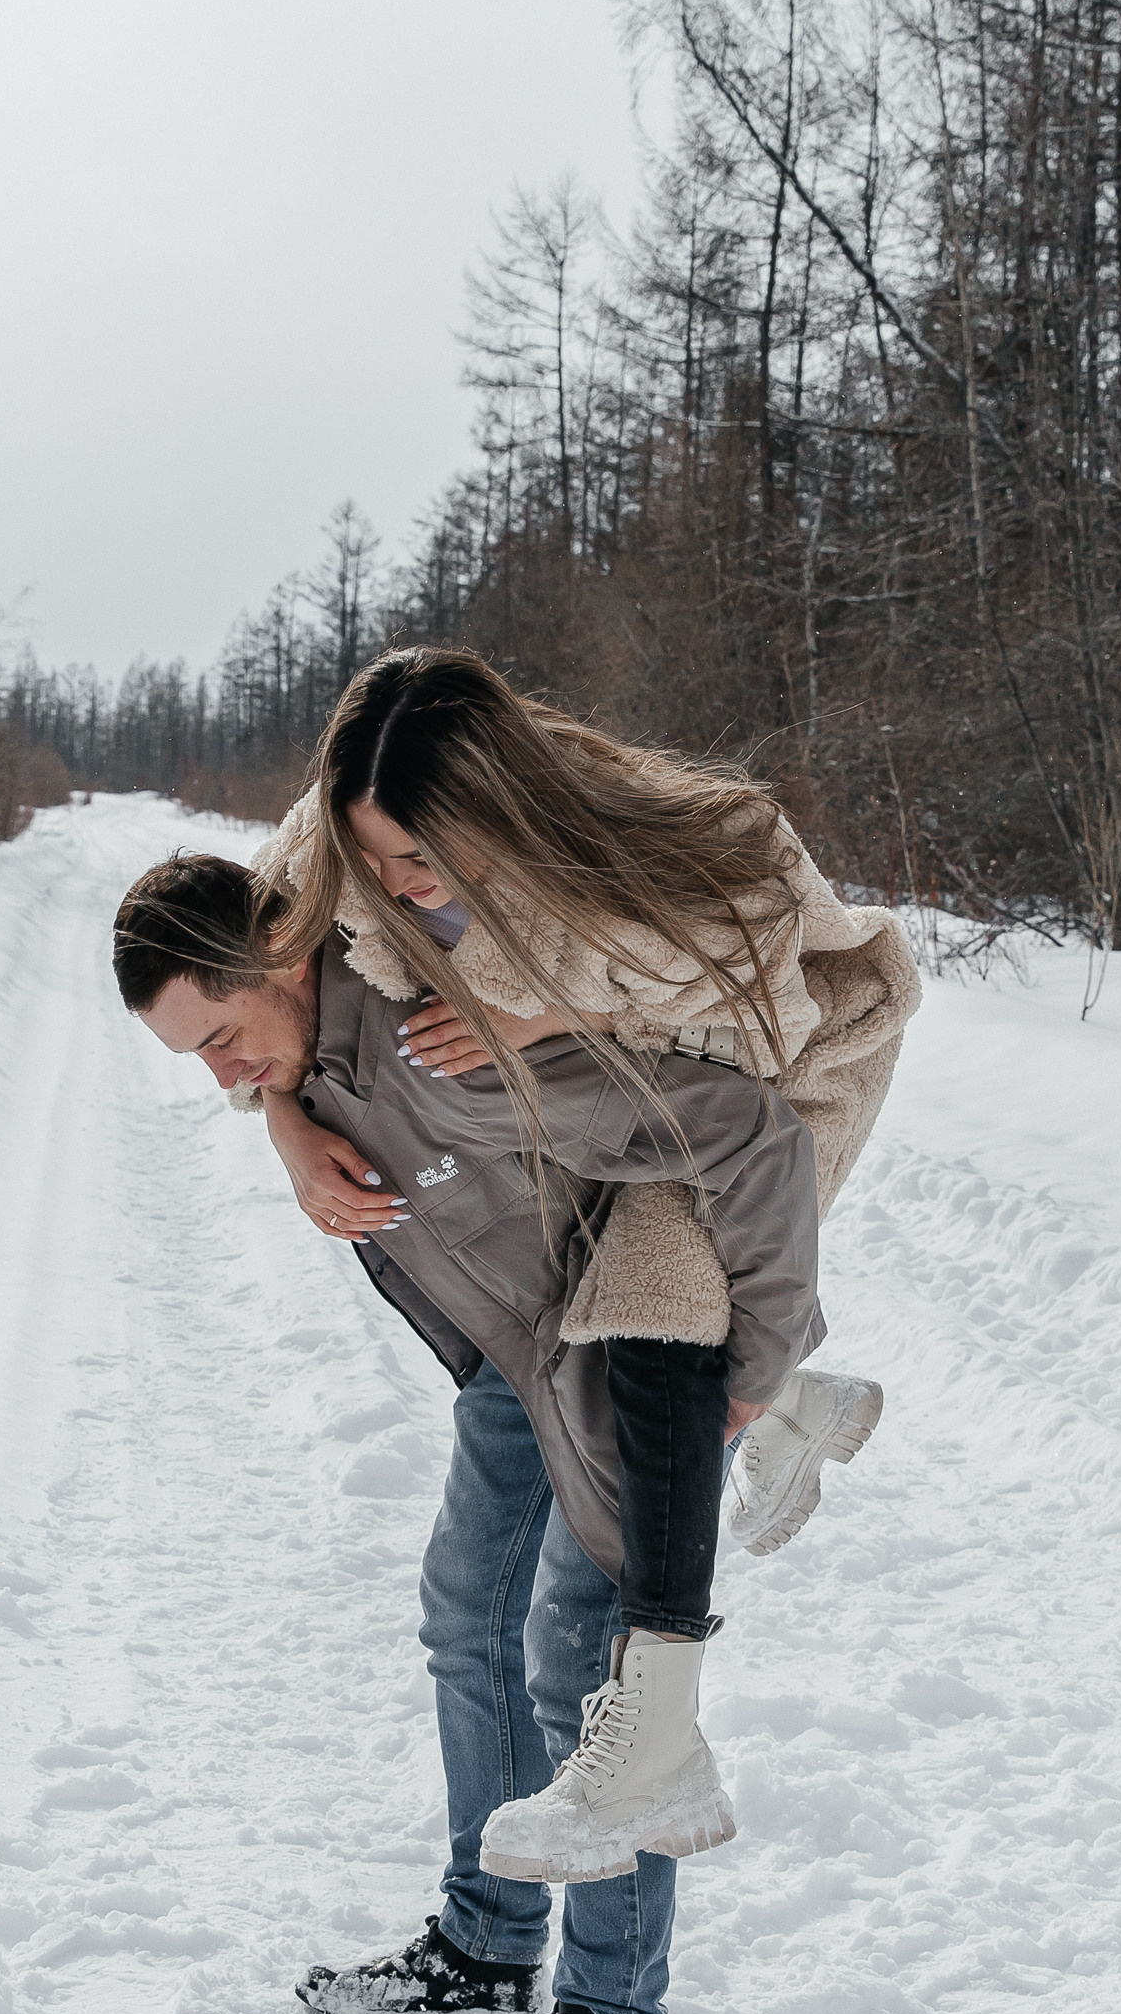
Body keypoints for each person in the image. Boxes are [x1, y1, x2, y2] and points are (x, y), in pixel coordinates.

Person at [113, 848, 822, 2014]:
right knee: (465, 1611)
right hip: (517, 1351)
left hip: (631, 1337)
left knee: (584, 1662)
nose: (219, 1077)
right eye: (195, 1061)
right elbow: (274, 1051)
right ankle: (489, 1942)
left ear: (282, 963)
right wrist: (280, 1120)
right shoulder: (302, 1025)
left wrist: (756, 1371)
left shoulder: (446, 1036)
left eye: (221, 1041)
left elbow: (746, 1131)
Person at [253, 648, 919, 1563]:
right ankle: (785, 1413)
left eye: (415, 856)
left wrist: (549, 1010)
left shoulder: (635, 856)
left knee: (661, 1340)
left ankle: (751, 1431)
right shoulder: (329, 840)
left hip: (774, 1069)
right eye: (366, 855)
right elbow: (252, 989)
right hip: (596, 1109)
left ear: (491, 810)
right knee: (574, 1358)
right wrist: (285, 1119)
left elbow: (766, 1018)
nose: (392, 882)